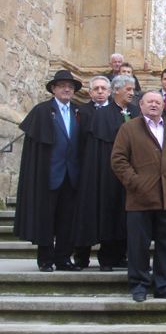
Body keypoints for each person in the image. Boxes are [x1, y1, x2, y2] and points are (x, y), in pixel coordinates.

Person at [110, 91, 166, 303]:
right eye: (150, 102)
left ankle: (164, 285)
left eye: (158, 101)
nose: (154, 105)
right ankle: (139, 285)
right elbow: (118, 160)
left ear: (163, 105)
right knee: (138, 245)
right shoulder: (129, 129)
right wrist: (135, 183)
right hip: (140, 199)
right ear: (141, 105)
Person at [14, 70, 82, 272]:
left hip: (71, 175)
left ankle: (63, 258)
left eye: (70, 86)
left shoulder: (78, 112)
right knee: (46, 218)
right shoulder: (41, 111)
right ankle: (45, 259)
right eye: (62, 85)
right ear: (53, 88)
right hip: (49, 175)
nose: (66, 89)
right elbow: (34, 149)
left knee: (67, 219)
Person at [73, 75, 140, 272]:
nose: (131, 92)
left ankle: (121, 254)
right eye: (128, 89)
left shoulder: (136, 112)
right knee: (109, 213)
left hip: (131, 175)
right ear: (116, 90)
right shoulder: (102, 116)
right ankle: (108, 257)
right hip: (107, 174)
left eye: (133, 89)